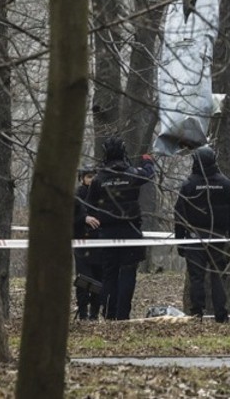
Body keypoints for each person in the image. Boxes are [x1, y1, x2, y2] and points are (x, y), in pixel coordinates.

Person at [84, 136, 155, 320]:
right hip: (131, 230)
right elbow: (148, 174)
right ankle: (123, 316)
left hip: (107, 233)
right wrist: (147, 161)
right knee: (128, 274)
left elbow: (90, 205)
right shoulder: (132, 174)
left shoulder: (99, 179)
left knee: (109, 275)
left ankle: (109, 314)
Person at [174, 145, 230, 322]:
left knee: (196, 278)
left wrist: (180, 242)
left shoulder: (189, 185)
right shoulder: (225, 185)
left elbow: (179, 215)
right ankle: (221, 314)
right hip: (218, 238)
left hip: (195, 238)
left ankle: (196, 313)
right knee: (218, 276)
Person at [72, 166, 102, 320]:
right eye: (89, 177)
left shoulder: (101, 195)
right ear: (82, 178)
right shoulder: (77, 196)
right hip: (82, 242)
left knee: (98, 279)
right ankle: (83, 313)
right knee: (83, 279)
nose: (92, 180)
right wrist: (84, 219)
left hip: (99, 243)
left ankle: (94, 314)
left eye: (94, 177)